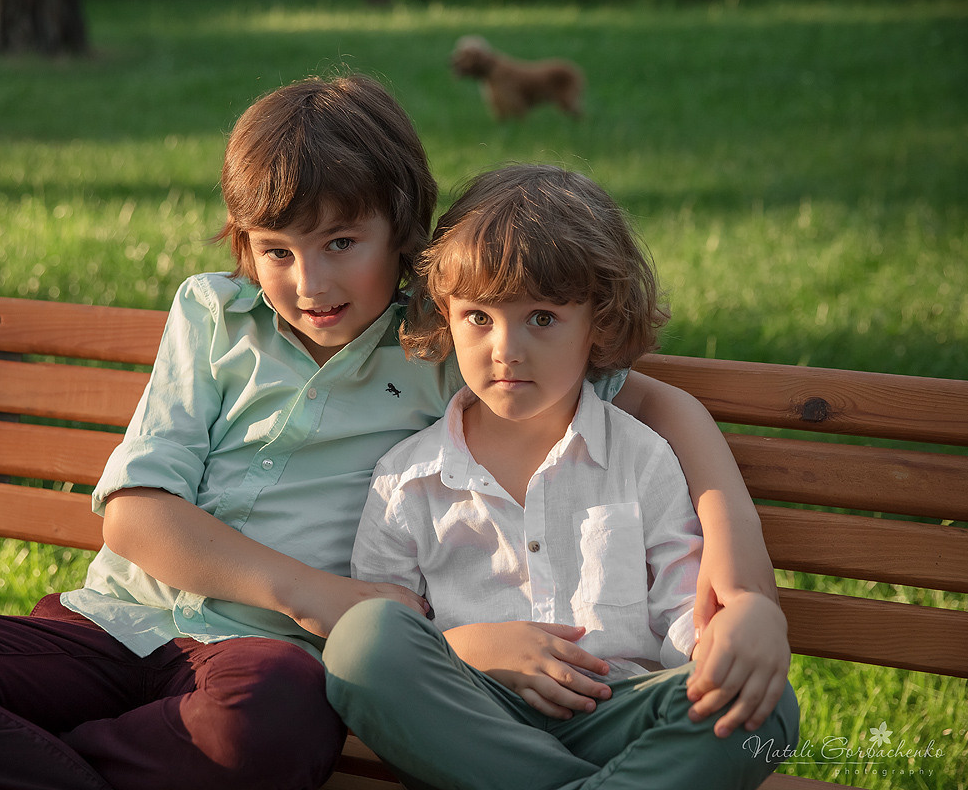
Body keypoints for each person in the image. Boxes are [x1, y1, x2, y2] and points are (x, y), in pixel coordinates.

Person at [0, 77, 783, 790]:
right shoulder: (214, 313)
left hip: (266, 661)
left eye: (341, 246)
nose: (311, 284)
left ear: (404, 233)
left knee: (273, 723)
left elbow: (645, 398)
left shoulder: (448, 333)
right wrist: (332, 597)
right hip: (113, 621)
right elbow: (138, 516)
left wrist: (746, 594)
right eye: (277, 250)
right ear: (242, 247)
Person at [324, 164, 800, 790]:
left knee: (761, 711)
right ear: (445, 314)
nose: (506, 348)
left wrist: (729, 638)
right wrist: (469, 648)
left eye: (542, 318)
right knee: (361, 642)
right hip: (473, 718)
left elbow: (688, 613)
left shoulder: (642, 458)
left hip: (619, 715)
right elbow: (393, 627)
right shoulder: (408, 480)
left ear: (598, 322)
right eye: (479, 318)